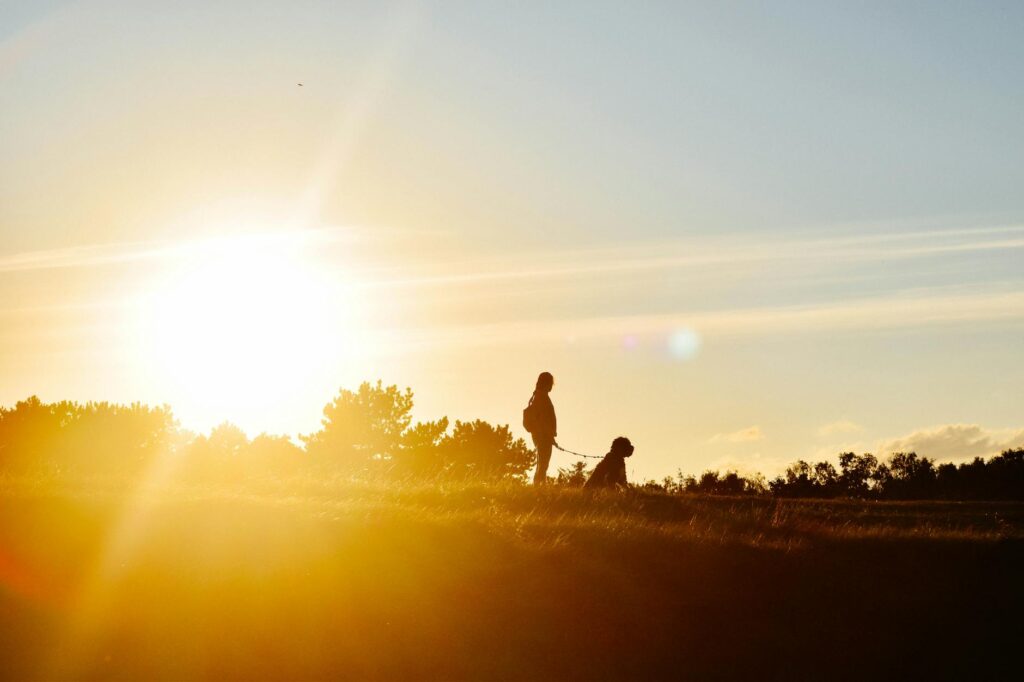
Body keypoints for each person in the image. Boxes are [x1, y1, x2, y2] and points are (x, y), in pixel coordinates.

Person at [526, 372, 557, 485]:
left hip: (541, 434)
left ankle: (539, 486)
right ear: (547, 383)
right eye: (551, 383)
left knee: (542, 463)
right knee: (543, 463)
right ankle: (539, 487)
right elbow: (543, 420)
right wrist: (549, 436)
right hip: (543, 435)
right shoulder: (541, 397)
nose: (552, 386)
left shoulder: (538, 396)